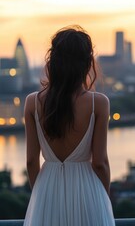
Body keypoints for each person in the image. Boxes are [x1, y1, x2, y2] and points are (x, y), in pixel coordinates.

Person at [23, 25, 115, 226]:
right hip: (88, 192)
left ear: (52, 61)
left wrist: (41, 193)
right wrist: (103, 197)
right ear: (87, 63)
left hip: (47, 189)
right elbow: (100, 163)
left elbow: (31, 161)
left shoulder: (32, 102)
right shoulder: (98, 103)